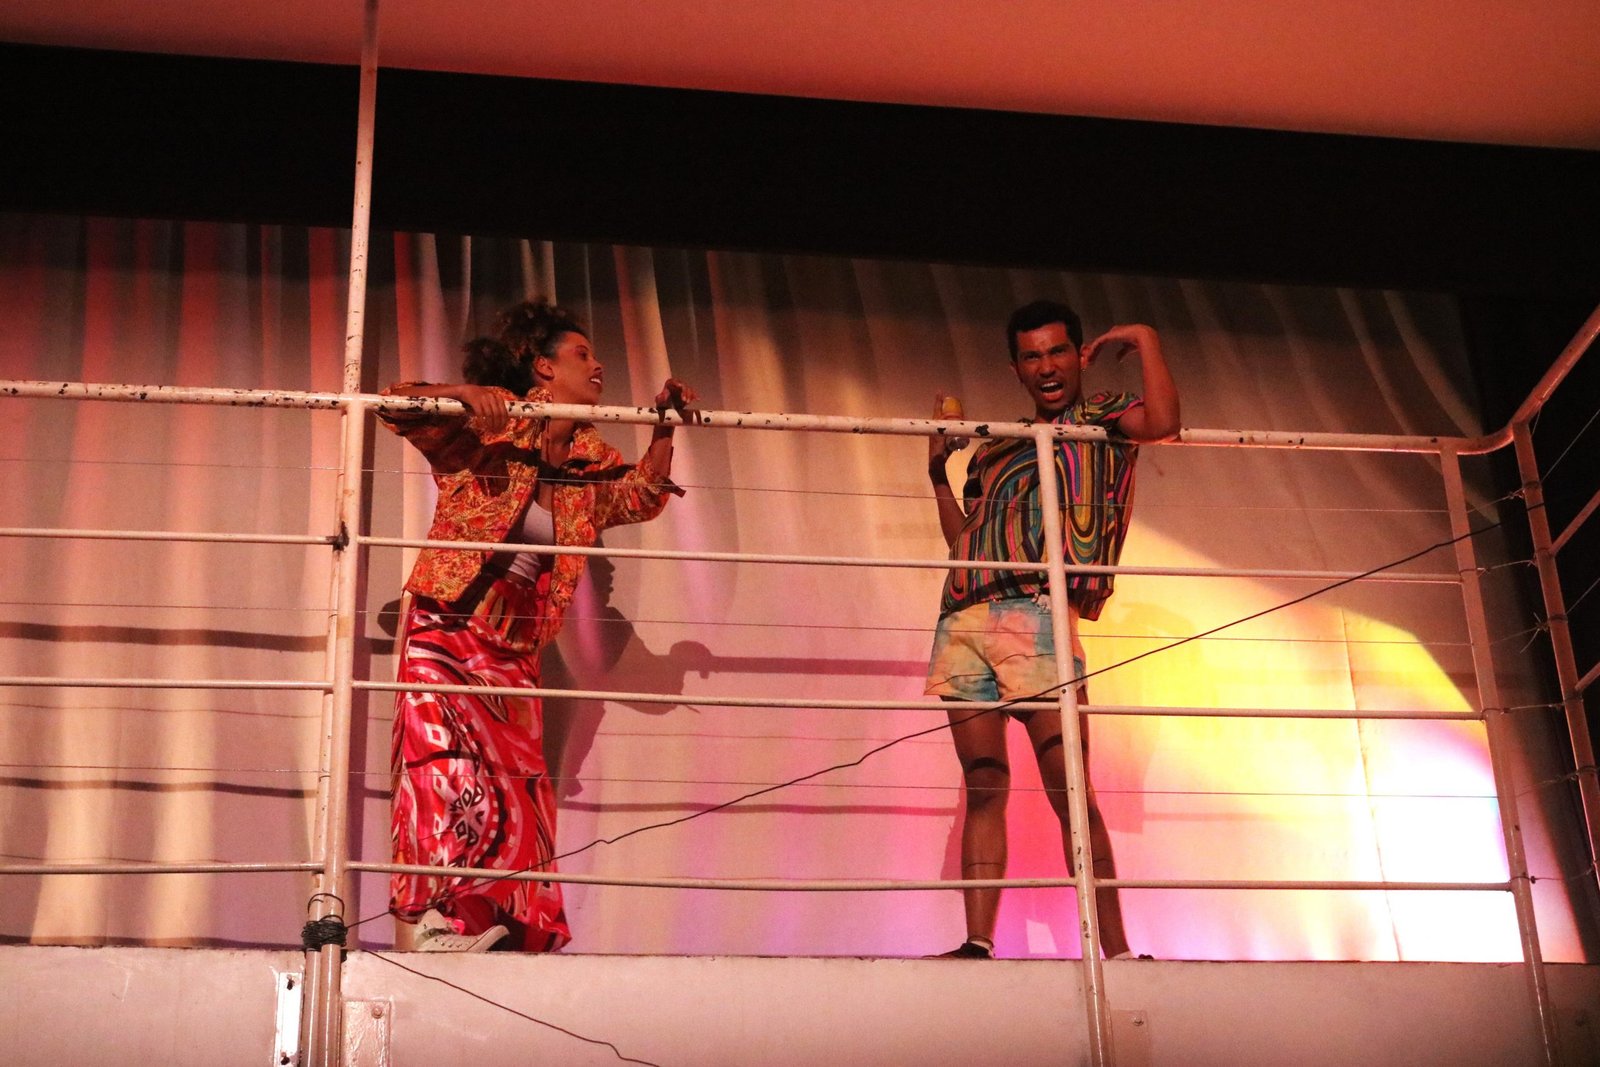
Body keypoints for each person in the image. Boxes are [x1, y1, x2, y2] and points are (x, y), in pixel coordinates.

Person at [380, 300, 695, 952]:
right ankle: (440, 918)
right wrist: (461, 395)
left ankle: (514, 931)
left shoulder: (587, 458)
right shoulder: (492, 424)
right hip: (449, 625)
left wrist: (664, 429)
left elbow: (639, 495)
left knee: (519, 791)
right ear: (544, 368)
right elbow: (394, 403)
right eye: (582, 354)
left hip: (516, 646)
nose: (598, 363)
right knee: (445, 768)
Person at [925, 299, 1179, 959]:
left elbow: (1165, 422)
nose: (1047, 366)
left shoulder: (1099, 416)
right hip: (965, 612)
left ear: (1077, 355)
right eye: (1032, 355)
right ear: (1016, 367)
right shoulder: (1000, 442)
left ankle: (1116, 952)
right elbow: (967, 542)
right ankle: (977, 943)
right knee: (983, 783)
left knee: (1069, 789)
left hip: (1034, 610)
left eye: (1057, 351)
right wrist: (937, 477)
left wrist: (1143, 334)